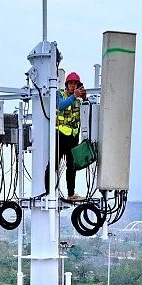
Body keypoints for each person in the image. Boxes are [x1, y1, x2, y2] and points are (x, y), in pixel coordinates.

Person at [45, 71, 88, 201]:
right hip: (60, 136)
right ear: (66, 84)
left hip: (73, 137)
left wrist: (85, 99)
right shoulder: (59, 94)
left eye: (75, 83)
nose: (73, 85)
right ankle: (48, 193)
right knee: (53, 165)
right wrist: (74, 97)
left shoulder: (79, 100)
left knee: (72, 166)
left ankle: (71, 193)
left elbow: (88, 112)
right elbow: (60, 105)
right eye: (70, 83)